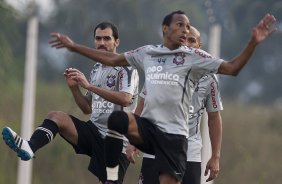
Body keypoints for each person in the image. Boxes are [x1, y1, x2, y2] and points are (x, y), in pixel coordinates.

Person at [48, 10, 276, 184]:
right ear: (165, 29)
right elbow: (111, 60)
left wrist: (253, 43)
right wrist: (73, 47)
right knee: (117, 120)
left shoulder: (194, 57)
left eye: (188, 27)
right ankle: (111, 176)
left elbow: (232, 68)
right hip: (150, 130)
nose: (186, 30)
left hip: (174, 137)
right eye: (180, 25)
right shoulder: (148, 53)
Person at [2, 22, 139, 184]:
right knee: (56, 117)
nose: (101, 43)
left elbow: (124, 98)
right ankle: (29, 147)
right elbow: (87, 108)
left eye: (107, 39)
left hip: (117, 141)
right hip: (94, 131)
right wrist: (75, 89)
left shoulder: (127, 67)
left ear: (117, 42)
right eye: (98, 39)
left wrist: (89, 86)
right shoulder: (96, 69)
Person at [136, 26, 223, 184]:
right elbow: (142, 104)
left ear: (199, 46)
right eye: (184, 40)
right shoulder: (159, 69)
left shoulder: (209, 78)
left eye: (192, 40)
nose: (188, 44)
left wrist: (215, 156)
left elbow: (214, 117)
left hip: (189, 152)